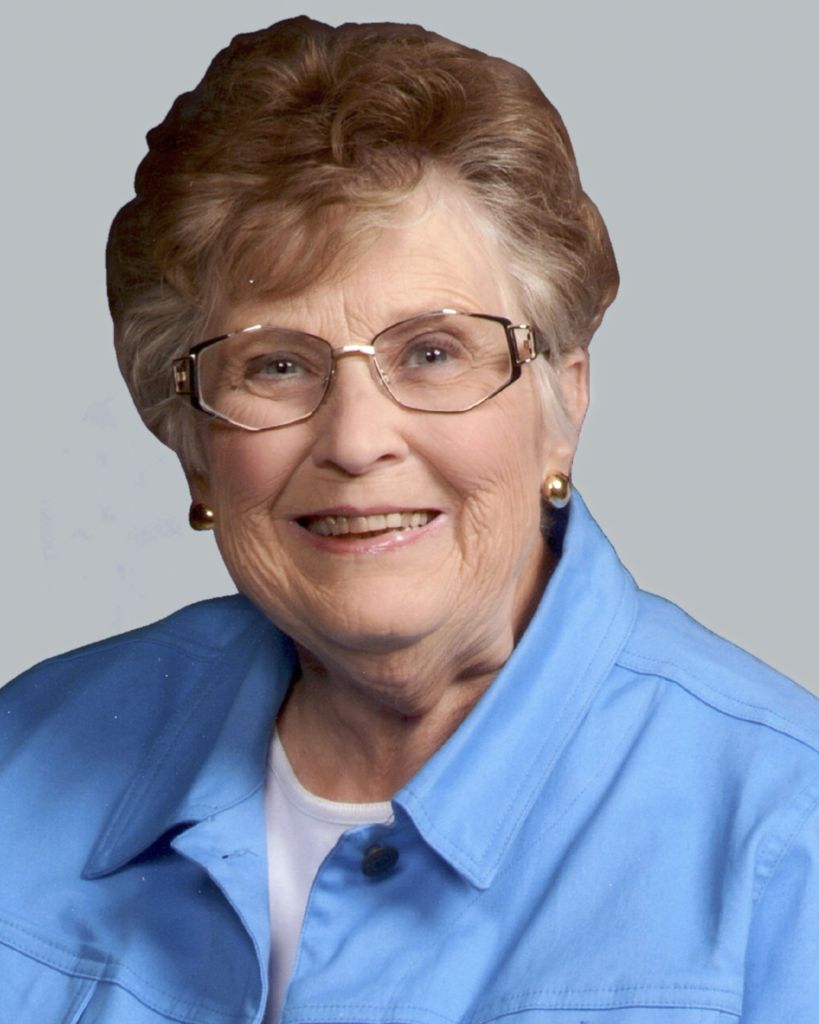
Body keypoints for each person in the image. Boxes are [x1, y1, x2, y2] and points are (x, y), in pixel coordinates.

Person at [1, 15, 817, 1024]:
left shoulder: (788, 836)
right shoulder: (22, 755)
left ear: (563, 404)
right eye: (277, 365)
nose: (355, 441)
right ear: (194, 441)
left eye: (432, 353)